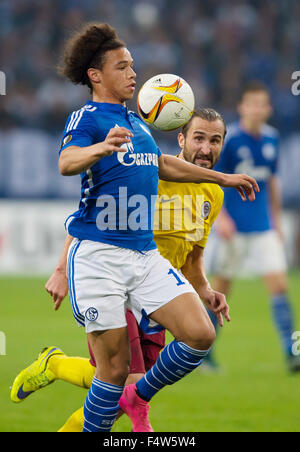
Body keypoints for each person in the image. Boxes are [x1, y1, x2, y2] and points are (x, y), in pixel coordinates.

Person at [12, 22, 258, 434]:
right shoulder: (87, 117)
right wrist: (100, 148)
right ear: (96, 75)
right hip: (98, 256)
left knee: (199, 333)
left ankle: (135, 396)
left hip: (144, 256)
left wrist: (223, 178)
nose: (133, 75)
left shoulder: (138, 123)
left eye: (133, 66)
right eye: (123, 67)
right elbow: (66, 162)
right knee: (113, 371)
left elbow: (162, 164)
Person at [11, 107, 230, 431]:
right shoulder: (151, 174)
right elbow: (92, 215)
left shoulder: (213, 193)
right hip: (118, 286)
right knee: (129, 382)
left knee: (117, 397)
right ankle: (55, 365)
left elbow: (192, 261)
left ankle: (54, 364)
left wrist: (206, 291)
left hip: (160, 298)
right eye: (198, 138)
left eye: (215, 140)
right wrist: (61, 269)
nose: (206, 148)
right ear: (180, 138)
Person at [209, 81, 300, 372]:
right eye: (252, 104)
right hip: (233, 228)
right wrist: (221, 218)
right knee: (220, 291)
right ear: (242, 107)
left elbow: (271, 182)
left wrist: (275, 220)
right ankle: (203, 352)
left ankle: (291, 351)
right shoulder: (231, 139)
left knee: (280, 287)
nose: (258, 109)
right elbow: (216, 180)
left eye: (263, 104)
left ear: (268, 109)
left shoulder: (272, 140)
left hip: (262, 227)